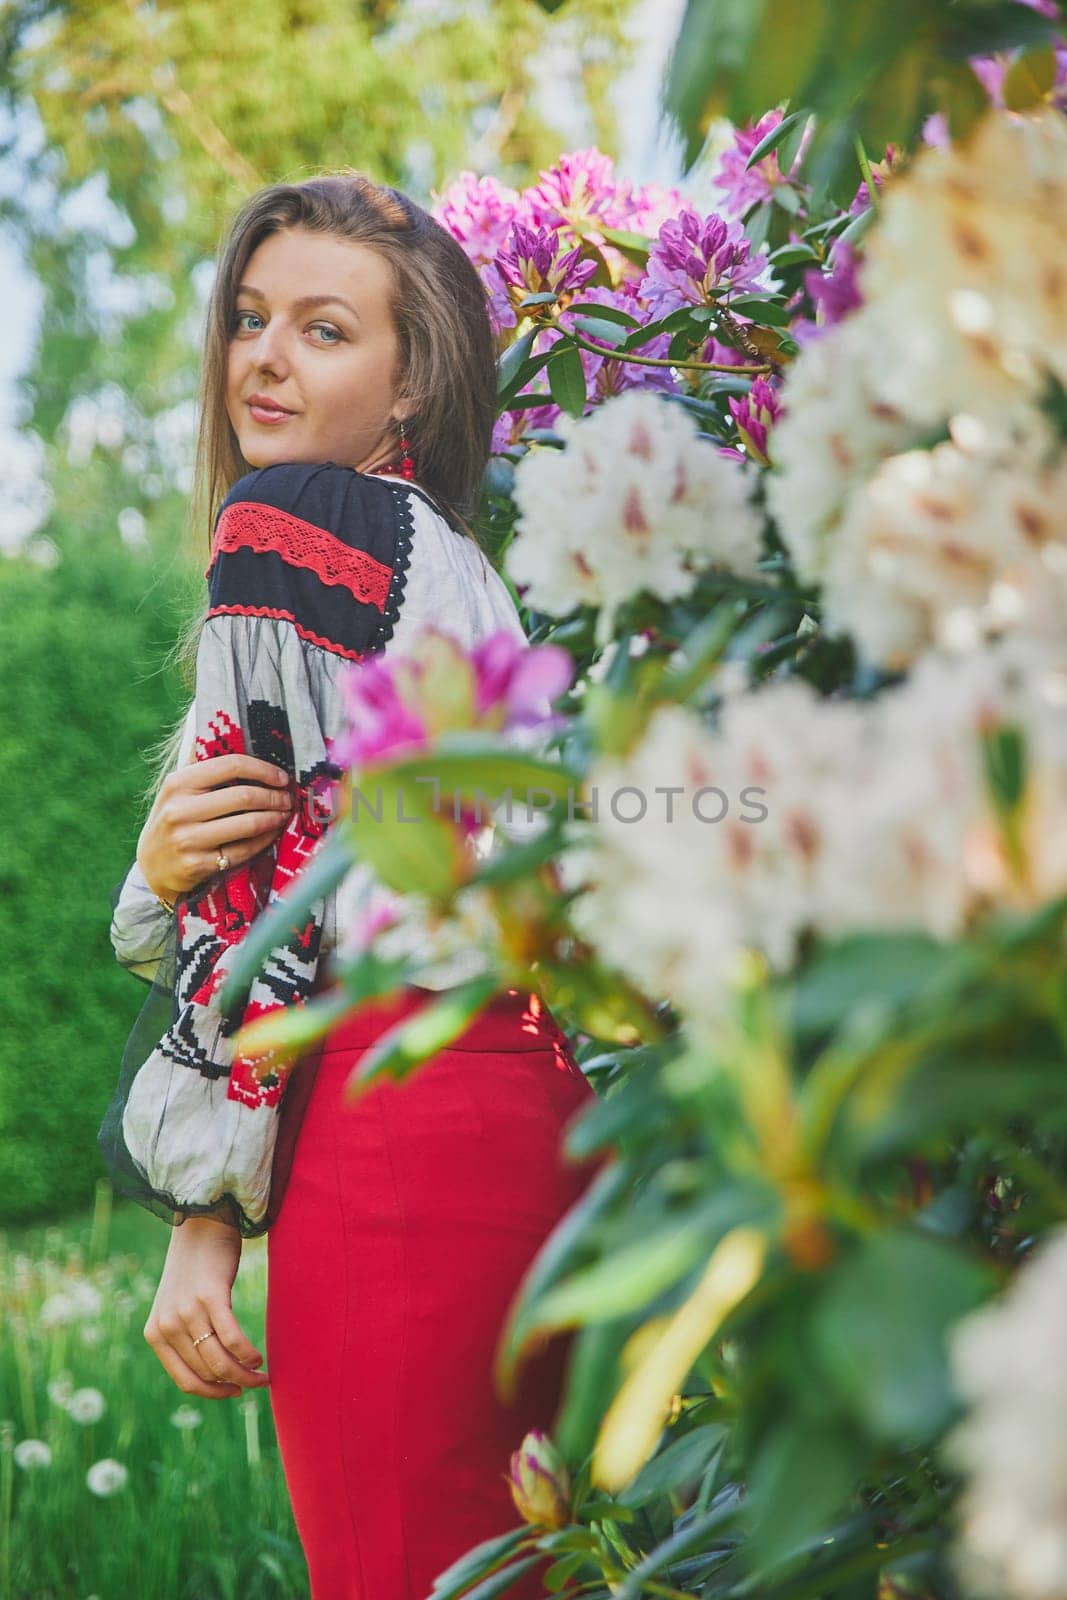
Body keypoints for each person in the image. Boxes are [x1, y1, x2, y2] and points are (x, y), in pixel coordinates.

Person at [98, 173, 604, 1600]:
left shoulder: (294, 530)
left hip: (394, 1129)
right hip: (530, 1112)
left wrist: (202, 1219)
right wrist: (161, 863)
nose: (261, 355)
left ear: (411, 385)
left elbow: (257, 904)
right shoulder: (447, 565)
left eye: (324, 329)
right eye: (250, 319)